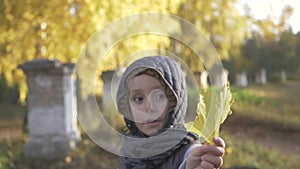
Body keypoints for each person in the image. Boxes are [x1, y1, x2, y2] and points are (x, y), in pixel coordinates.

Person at [116, 56, 225, 169]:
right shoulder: (130, 149)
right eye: (139, 99)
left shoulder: (189, 152)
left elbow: (192, 159)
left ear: (175, 102)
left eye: (159, 96)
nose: (149, 107)